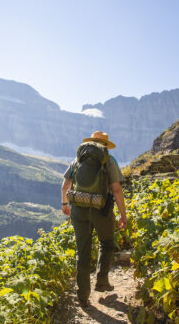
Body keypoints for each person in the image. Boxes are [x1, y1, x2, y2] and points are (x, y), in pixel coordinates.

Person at [61, 131, 127, 308]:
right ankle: (102, 281)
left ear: (91, 142)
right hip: (101, 210)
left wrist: (64, 203)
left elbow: (65, 185)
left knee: (82, 252)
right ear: (105, 145)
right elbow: (116, 189)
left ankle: (82, 296)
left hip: (78, 210)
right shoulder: (109, 160)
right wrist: (123, 214)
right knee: (107, 243)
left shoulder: (79, 158)